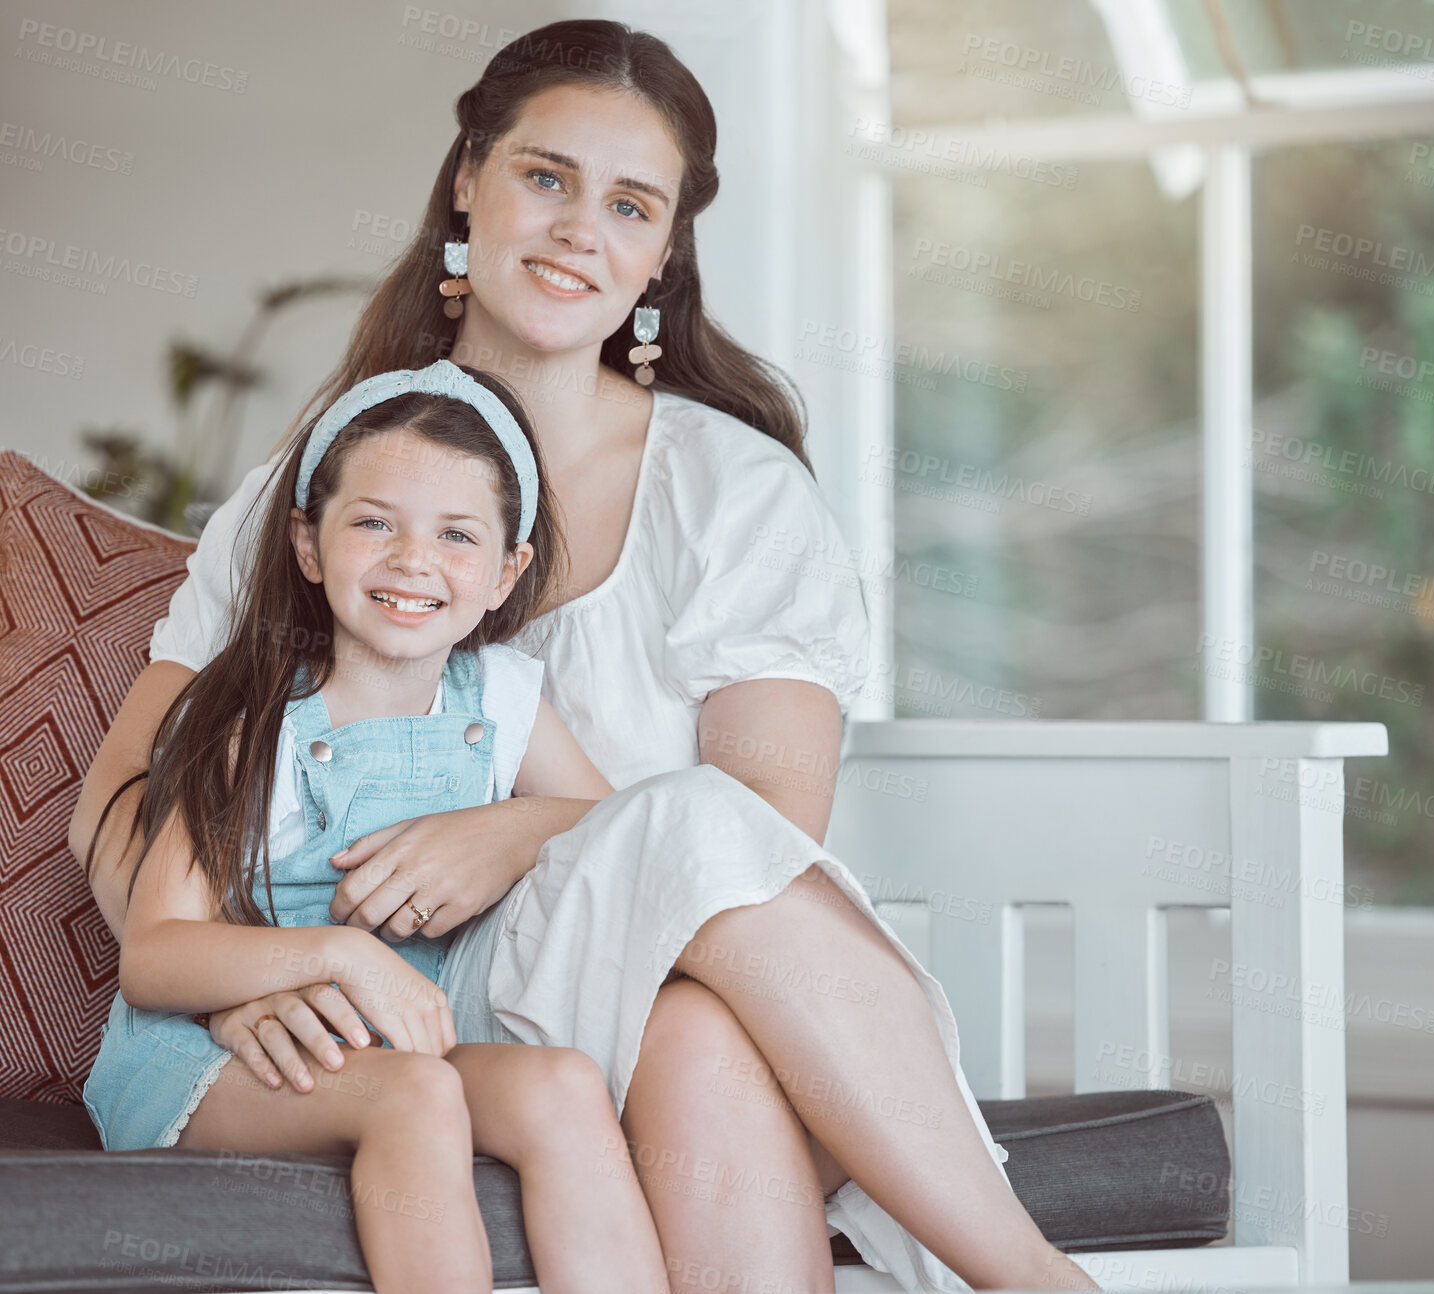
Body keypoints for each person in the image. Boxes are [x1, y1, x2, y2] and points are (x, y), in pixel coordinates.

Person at [71, 19, 1098, 1293]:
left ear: (663, 250)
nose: (576, 230)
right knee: (691, 1014)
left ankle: (1028, 1278)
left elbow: (754, 850)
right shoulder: (331, 480)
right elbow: (120, 800)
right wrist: (242, 997)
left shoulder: (731, 492)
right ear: (469, 180)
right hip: (420, 1004)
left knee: (697, 1018)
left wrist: (520, 830)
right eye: (544, 177)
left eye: (628, 204)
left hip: (664, 983)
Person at [79, 360, 669, 1294]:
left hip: (398, 1041)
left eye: (457, 534)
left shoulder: (503, 701)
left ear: (506, 570)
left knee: (560, 1086)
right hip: (210, 1054)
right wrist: (341, 957)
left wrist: (519, 826)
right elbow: (154, 956)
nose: (412, 560)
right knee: (419, 1094)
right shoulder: (244, 718)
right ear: (309, 545)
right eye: (373, 522)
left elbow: (615, 831)